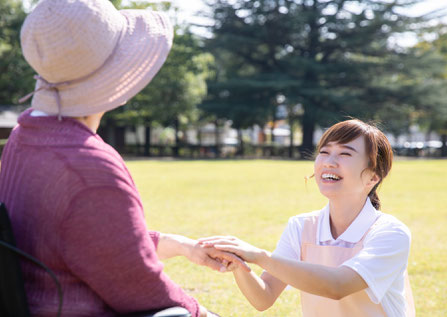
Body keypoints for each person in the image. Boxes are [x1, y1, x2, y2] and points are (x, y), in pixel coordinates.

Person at [0, 0, 248, 316]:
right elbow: (139, 289)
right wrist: (201, 312)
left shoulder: (23, 138)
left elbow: (90, 241)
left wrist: (180, 246)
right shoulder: (87, 167)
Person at [200, 119, 416, 317]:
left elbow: (338, 285)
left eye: (345, 154)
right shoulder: (301, 226)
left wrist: (259, 256)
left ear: (373, 176)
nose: (329, 162)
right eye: (324, 152)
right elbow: (263, 297)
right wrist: (239, 264)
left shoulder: (390, 232)